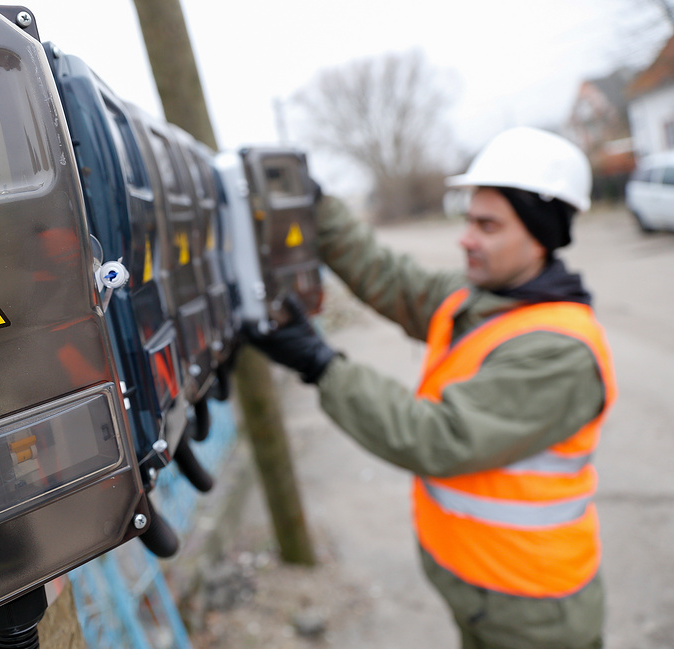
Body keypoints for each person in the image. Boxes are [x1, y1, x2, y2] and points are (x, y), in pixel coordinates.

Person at [246, 127, 616, 649]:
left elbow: (437, 437)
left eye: (488, 226)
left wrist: (321, 364)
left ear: (541, 235)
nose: (467, 238)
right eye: (469, 220)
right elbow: (390, 278)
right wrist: (318, 206)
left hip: (533, 608)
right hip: (483, 590)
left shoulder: (560, 352)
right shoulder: (481, 301)